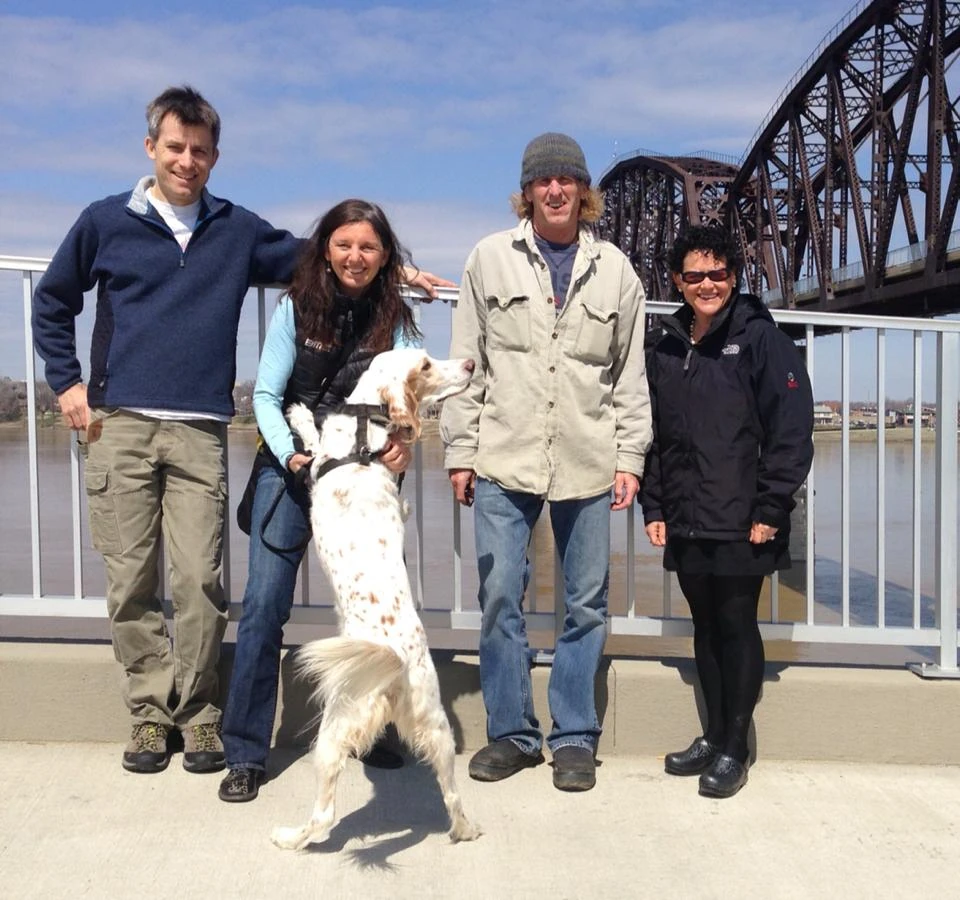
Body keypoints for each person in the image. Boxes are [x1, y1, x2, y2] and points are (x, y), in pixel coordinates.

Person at [31, 85, 447, 777]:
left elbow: (316, 255)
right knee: (131, 582)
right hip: (121, 422)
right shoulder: (104, 221)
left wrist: (391, 265)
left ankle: (200, 719)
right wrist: (66, 382)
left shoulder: (234, 227)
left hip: (200, 426)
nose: (187, 161)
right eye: (174, 147)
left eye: (199, 150)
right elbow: (53, 300)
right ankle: (149, 714)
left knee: (201, 582)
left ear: (214, 156)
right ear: (151, 149)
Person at [440, 133, 651, 792]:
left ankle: (574, 736)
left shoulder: (616, 270)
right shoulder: (488, 258)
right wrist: (460, 448)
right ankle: (512, 734)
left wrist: (630, 456)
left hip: (588, 459)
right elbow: (467, 362)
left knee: (584, 604)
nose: (556, 190)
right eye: (543, 181)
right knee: (501, 594)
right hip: (505, 456)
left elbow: (629, 376)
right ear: (527, 191)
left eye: (568, 180)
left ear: (583, 191)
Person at [218, 199, 422, 802]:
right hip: (292, 471)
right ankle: (246, 752)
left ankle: (377, 731)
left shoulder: (399, 320)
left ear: (385, 256)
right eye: (344, 245)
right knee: (262, 608)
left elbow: (409, 395)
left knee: (376, 613)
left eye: (368, 247)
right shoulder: (295, 308)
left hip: (364, 483)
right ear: (325, 250)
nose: (355, 257)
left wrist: (405, 443)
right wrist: (292, 456)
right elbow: (266, 395)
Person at [640, 225, 814, 799]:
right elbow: (657, 436)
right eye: (694, 275)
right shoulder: (666, 344)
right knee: (705, 626)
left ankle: (736, 748)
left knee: (738, 625)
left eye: (717, 273)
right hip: (688, 514)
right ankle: (712, 737)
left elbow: (791, 430)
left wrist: (771, 506)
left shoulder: (762, 339)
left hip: (744, 516)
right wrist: (655, 505)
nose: (706, 284)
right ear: (677, 281)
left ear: (734, 277)